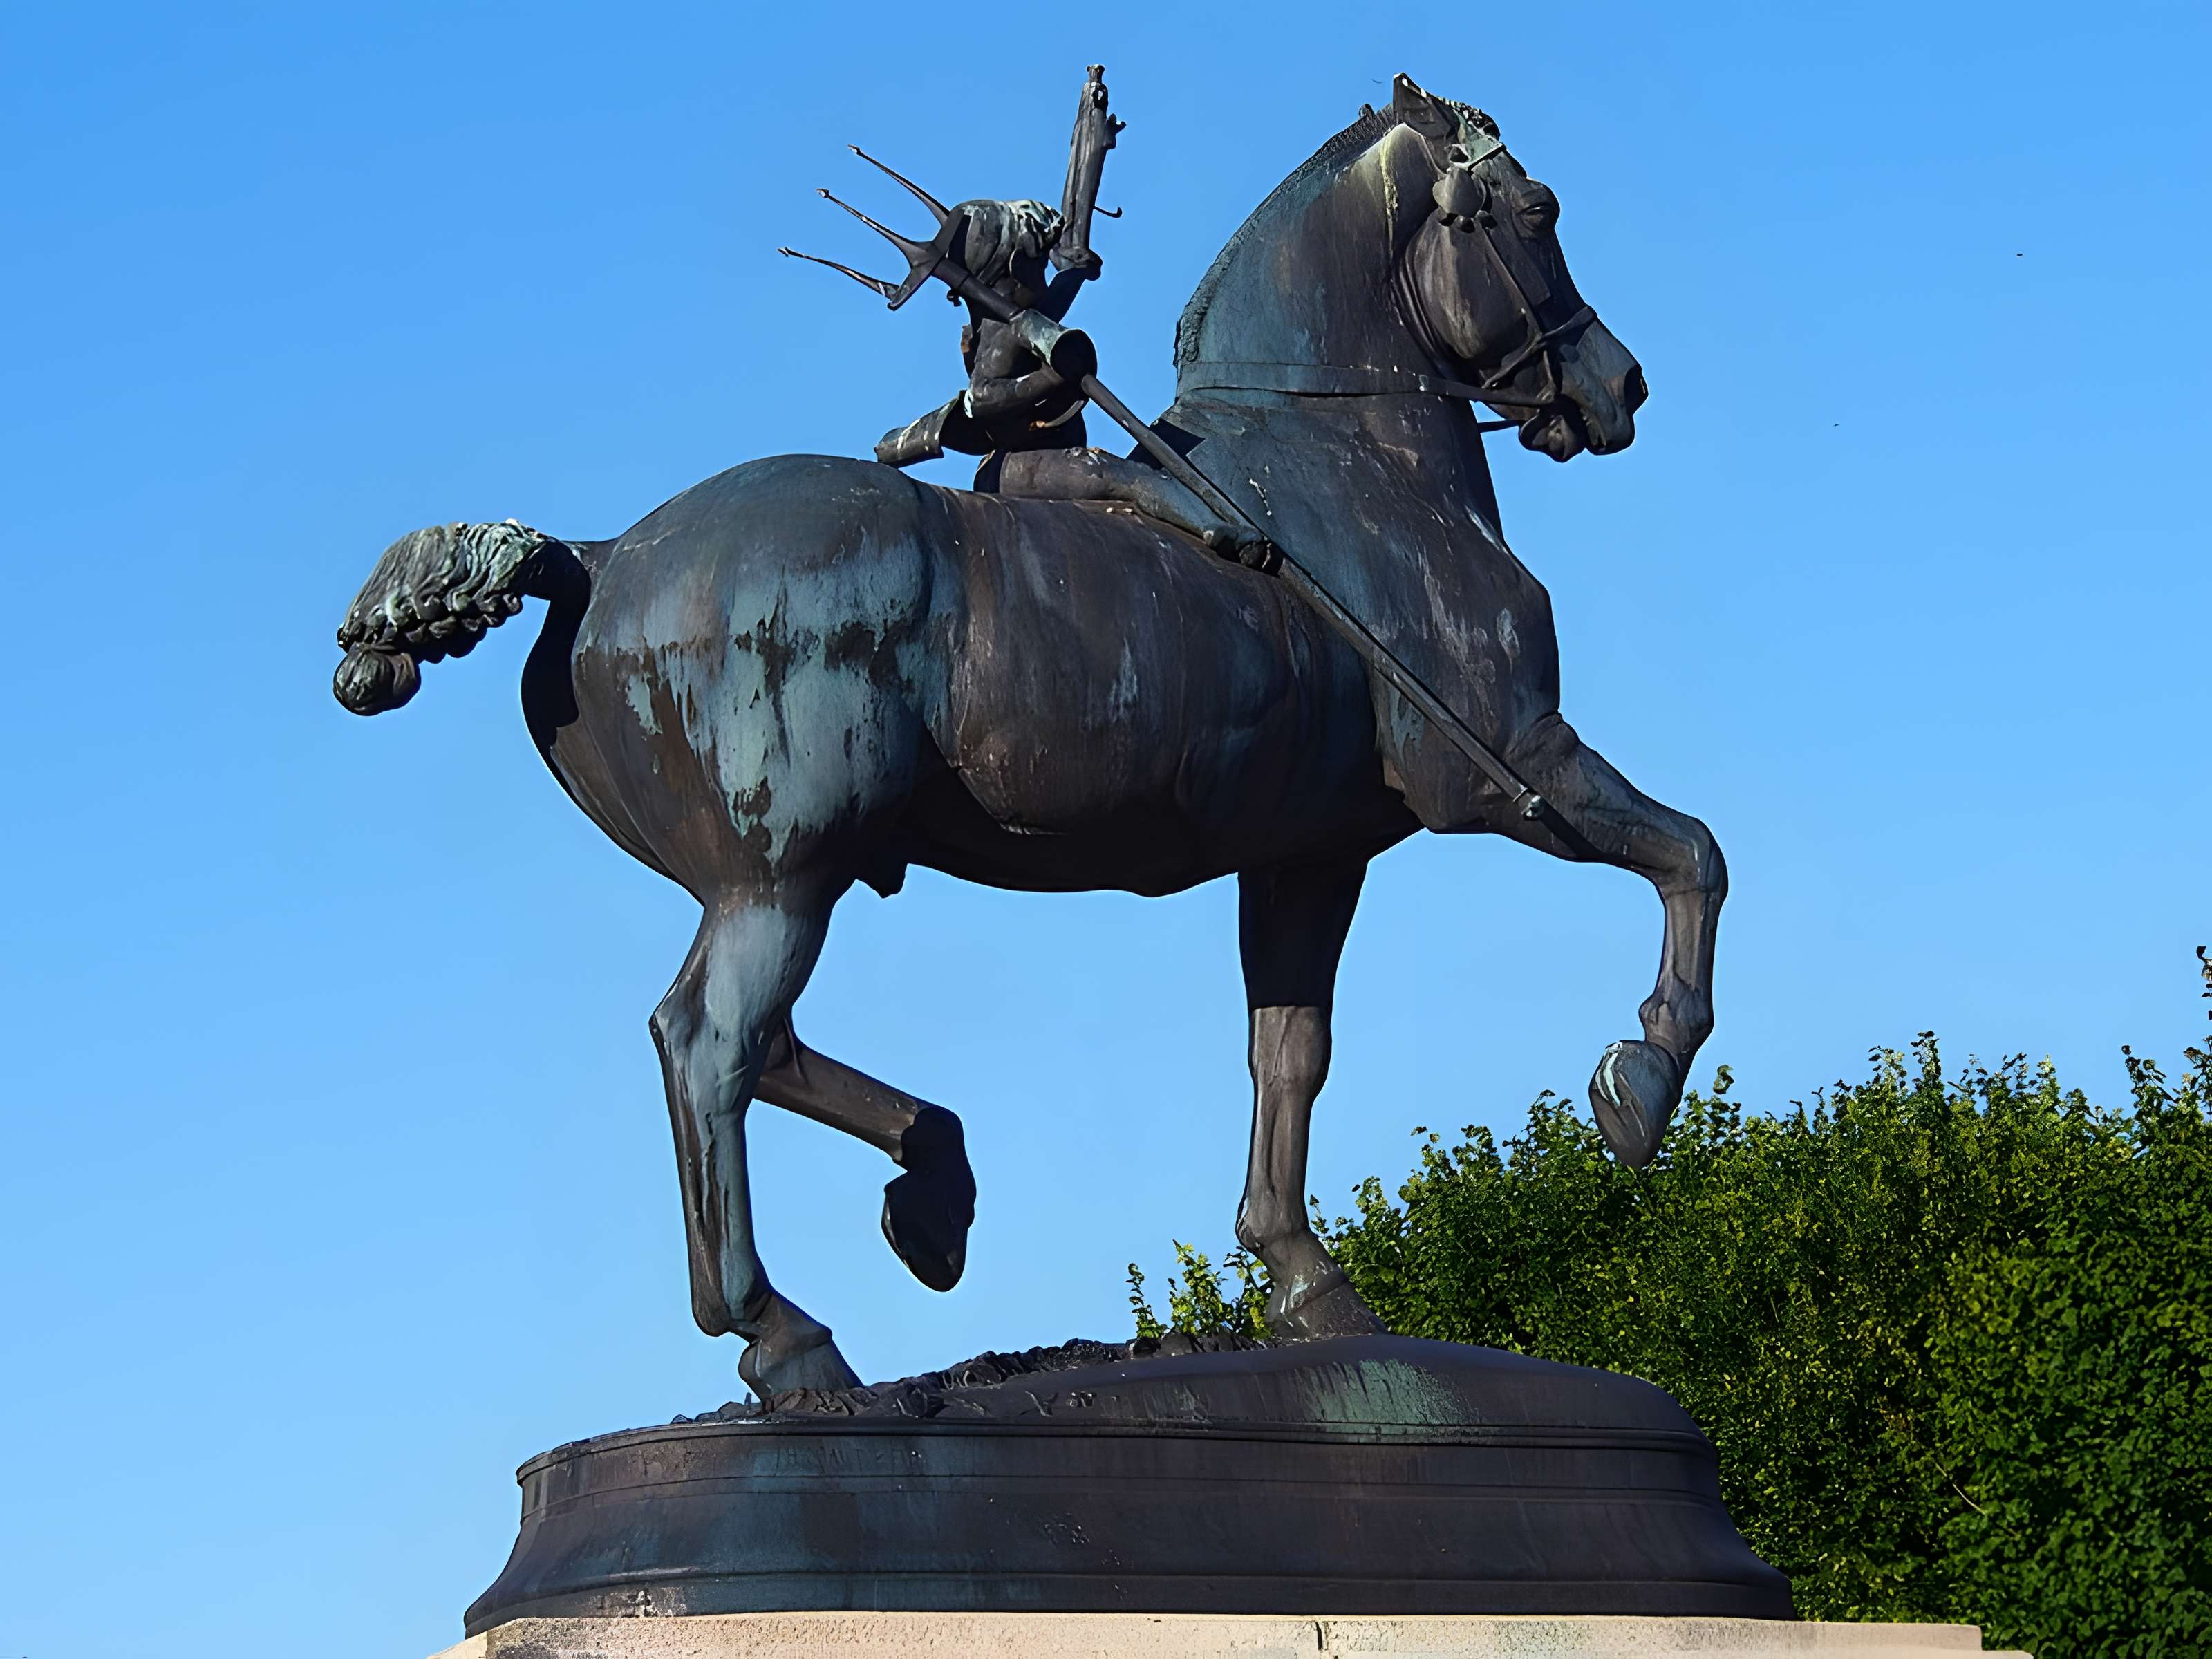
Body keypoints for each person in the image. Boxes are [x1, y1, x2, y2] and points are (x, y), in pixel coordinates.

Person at [872, 197, 1272, 568]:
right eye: (1039, 266)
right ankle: (1212, 527)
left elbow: (1050, 307)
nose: (1044, 274)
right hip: (1014, 466)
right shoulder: (1000, 334)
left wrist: (1075, 272)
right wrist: (1049, 378)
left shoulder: (1017, 317)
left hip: (1029, 453)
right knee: (1124, 476)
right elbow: (982, 397)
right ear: (1015, 269)